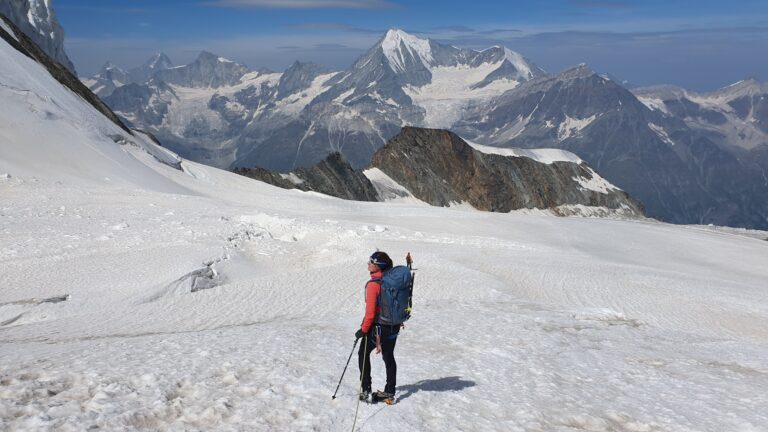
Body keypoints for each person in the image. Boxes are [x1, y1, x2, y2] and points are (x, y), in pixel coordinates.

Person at [355, 251, 399, 404]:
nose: (368, 264)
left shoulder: (374, 285)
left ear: (377, 266)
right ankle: (389, 392)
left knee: (363, 354)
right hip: (394, 326)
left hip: (377, 328)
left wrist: (363, 330)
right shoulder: (392, 281)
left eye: (371, 262)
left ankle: (366, 390)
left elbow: (370, 313)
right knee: (388, 356)